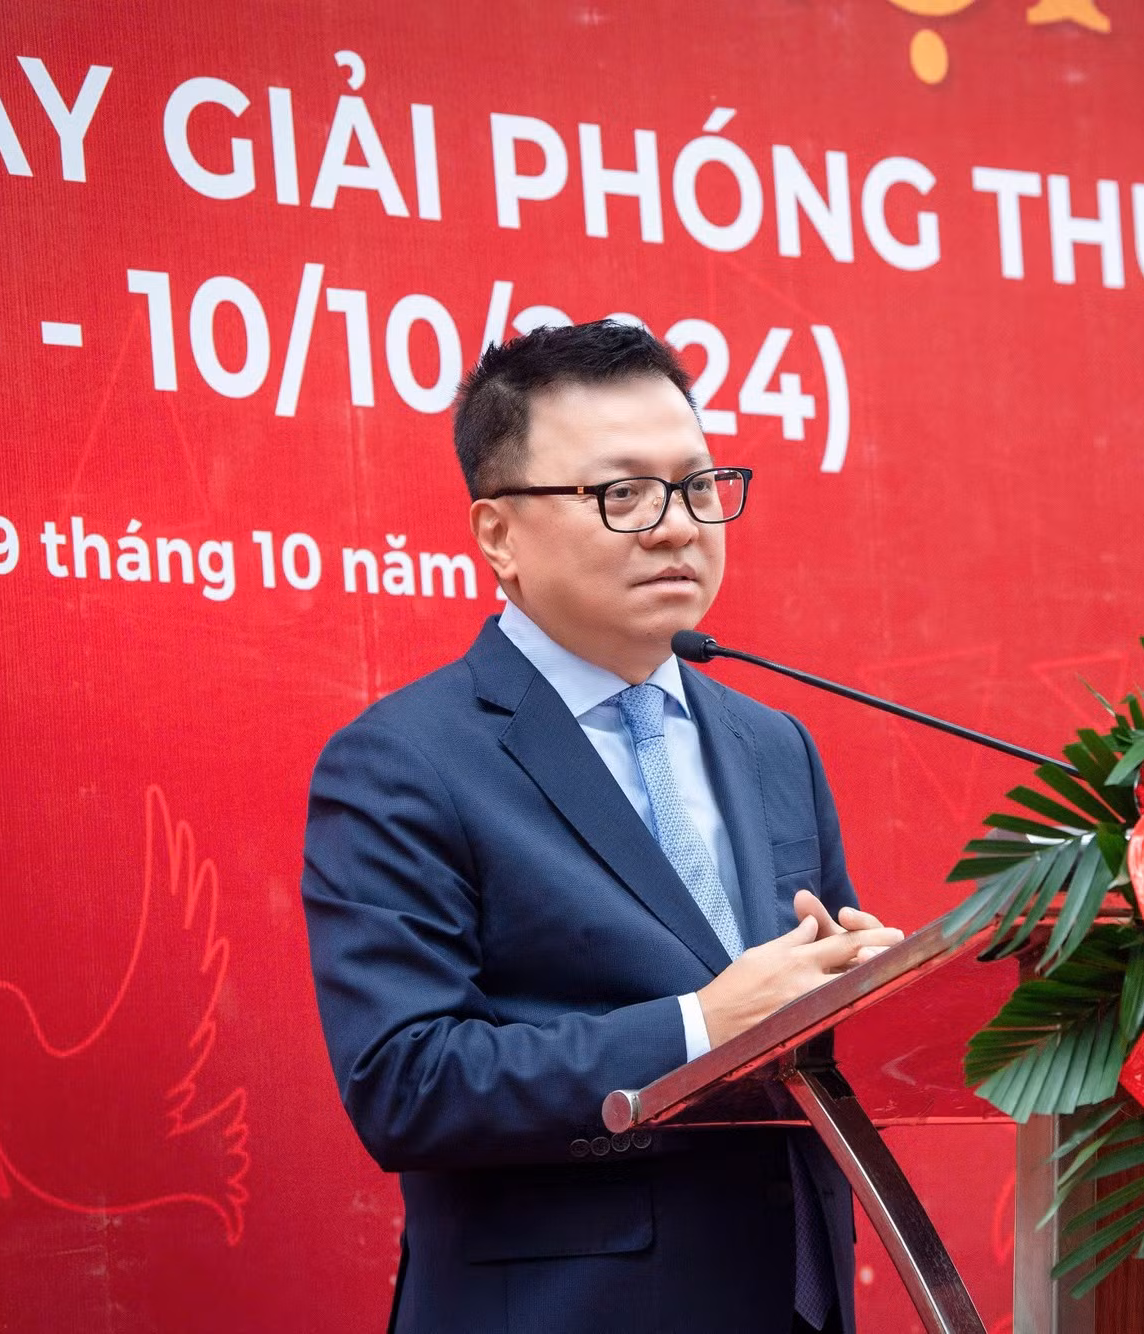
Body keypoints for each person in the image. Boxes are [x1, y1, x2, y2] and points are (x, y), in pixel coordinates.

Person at [300, 319, 901, 1334]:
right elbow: (406, 1081)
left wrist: (869, 988)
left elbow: (803, 1036)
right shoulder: (405, 759)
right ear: (497, 533)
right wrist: (700, 1027)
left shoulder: (772, 743)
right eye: (622, 494)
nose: (677, 526)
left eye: (700, 485)